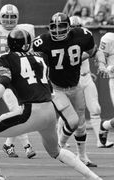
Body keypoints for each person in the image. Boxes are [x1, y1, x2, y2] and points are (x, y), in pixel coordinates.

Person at [0, 28, 102, 180]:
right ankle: (94, 178)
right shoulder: (41, 56)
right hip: (49, 111)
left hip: (30, 111)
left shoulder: (4, 60)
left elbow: (0, 85)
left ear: (9, 44)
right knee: (56, 151)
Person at [33, 12, 98, 167]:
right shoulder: (42, 41)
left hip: (75, 85)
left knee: (81, 124)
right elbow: (37, 63)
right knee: (73, 121)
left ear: (69, 26)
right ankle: (60, 145)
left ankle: (82, 156)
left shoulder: (83, 35)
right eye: (54, 27)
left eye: (61, 26)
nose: (57, 30)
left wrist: (74, 61)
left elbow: (91, 51)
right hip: (56, 87)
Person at [0, 4, 36, 159]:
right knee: (16, 108)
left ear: (17, 18)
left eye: (12, 17)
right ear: (0, 17)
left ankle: (8, 144)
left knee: (21, 110)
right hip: (3, 73)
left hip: (20, 73)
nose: (8, 20)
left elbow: (31, 52)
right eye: (5, 16)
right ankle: (27, 145)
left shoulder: (25, 30)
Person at [68, 16, 113, 148]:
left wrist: (95, 63)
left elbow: (96, 55)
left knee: (95, 109)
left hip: (86, 77)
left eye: (77, 26)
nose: (75, 29)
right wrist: (91, 53)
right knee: (70, 112)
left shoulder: (85, 36)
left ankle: (100, 140)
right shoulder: (63, 41)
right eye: (73, 27)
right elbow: (73, 60)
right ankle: (60, 141)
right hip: (73, 79)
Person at [95, 32, 114, 144]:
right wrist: (109, 68)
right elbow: (99, 59)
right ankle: (105, 126)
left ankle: (105, 125)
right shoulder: (108, 38)